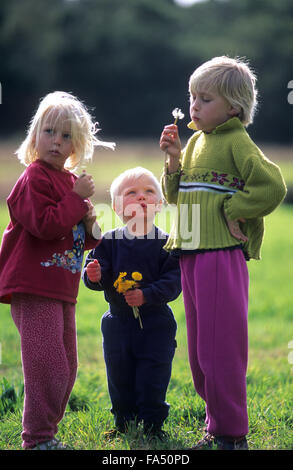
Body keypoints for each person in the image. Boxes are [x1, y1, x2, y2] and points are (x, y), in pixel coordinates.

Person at [159, 56, 287, 450]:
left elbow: (273, 186)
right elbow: (175, 198)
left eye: (205, 98)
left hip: (220, 257)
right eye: (192, 96)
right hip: (192, 254)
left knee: (221, 350)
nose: (194, 105)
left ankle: (231, 434)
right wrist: (174, 160)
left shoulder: (236, 141)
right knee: (200, 352)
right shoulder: (197, 141)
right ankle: (215, 424)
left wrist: (234, 210)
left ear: (233, 107)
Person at [0, 91, 115, 450]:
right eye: (49, 132)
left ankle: (46, 434)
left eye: (66, 136)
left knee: (66, 368)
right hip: (33, 286)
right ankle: (36, 440)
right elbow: (45, 226)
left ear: (76, 145)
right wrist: (75, 199)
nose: (56, 141)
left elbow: (81, 237)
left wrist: (91, 222)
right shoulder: (34, 178)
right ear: (35, 136)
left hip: (63, 288)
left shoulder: (68, 182)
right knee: (46, 368)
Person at [83, 167, 181, 440]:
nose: (141, 198)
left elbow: (174, 281)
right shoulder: (108, 242)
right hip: (117, 322)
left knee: (154, 374)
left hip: (156, 323)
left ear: (159, 205)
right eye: (131, 193)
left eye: (149, 192)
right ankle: (123, 422)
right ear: (116, 206)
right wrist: (93, 275)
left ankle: (152, 424)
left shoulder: (166, 243)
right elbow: (94, 270)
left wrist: (147, 294)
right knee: (119, 374)